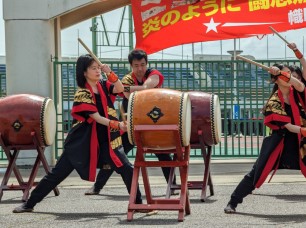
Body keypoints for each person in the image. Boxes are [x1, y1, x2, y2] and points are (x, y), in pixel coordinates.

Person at [13, 54, 145, 213]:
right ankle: (29, 204)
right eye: (93, 68)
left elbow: (120, 89)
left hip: (108, 140)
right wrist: (116, 124)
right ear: (84, 72)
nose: (97, 71)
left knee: (127, 169)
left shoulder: (103, 84)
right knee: (57, 175)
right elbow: (95, 117)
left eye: (98, 68)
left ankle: (137, 203)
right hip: (83, 141)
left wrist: (110, 73)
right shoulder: (82, 93)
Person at [85, 49, 177, 195]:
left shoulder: (154, 74)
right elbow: (127, 93)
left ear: (147, 64)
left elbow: (146, 88)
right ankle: (97, 186)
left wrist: (124, 87)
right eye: (136, 65)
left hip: (152, 125)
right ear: (131, 66)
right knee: (115, 154)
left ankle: (172, 186)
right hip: (131, 125)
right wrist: (119, 84)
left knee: (164, 155)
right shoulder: (128, 78)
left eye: (142, 65)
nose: (140, 69)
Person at [224, 63, 306, 214]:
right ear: (275, 79)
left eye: (289, 74)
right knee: (256, 172)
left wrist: (284, 73)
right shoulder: (273, 102)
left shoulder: (299, 93)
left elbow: (300, 84)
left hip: (300, 142)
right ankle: (233, 201)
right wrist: (303, 130)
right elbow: (288, 126)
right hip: (280, 142)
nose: (288, 76)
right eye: (284, 74)